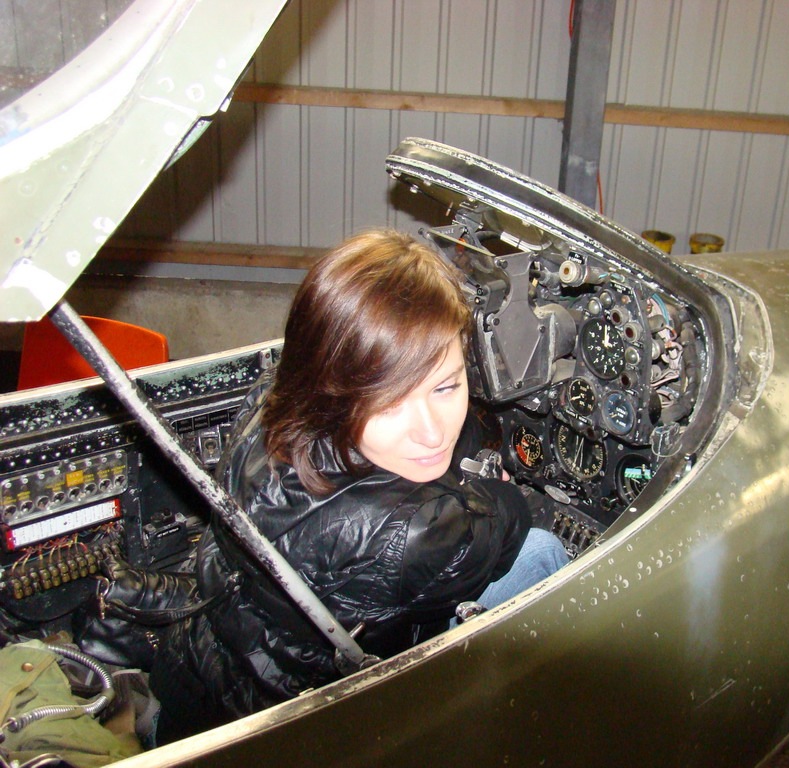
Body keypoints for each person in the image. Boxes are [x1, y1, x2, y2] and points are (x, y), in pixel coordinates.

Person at [149, 229, 568, 743]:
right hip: (281, 742)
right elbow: (514, 516)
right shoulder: (415, 536)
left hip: (193, 683)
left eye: (445, 386)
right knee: (544, 550)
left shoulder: (270, 400)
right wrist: (498, 491)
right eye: (389, 403)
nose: (432, 432)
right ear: (336, 389)